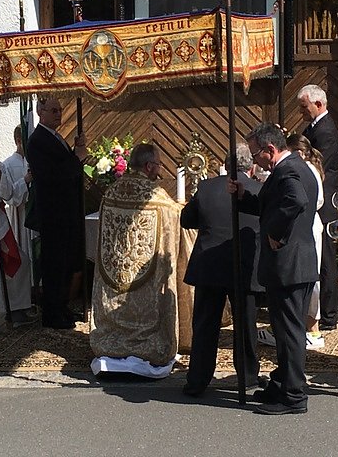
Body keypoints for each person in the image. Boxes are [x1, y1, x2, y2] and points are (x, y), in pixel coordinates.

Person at [228, 123, 319, 415]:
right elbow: (273, 205)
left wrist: (276, 233)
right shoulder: (295, 166)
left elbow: (296, 200)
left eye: (256, 154)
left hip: (289, 263)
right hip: (297, 263)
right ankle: (283, 382)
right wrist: (244, 196)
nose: (254, 160)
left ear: (270, 150)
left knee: (290, 332)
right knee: (284, 329)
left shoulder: (289, 170)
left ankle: (293, 395)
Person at [90, 143, 183, 377]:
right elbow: (175, 217)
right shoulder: (156, 196)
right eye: (159, 165)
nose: (159, 170)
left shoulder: (111, 191)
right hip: (144, 273)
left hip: (115, 268)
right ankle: (146, 345)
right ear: (149, 166)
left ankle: (113, 340)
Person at [181, 144, 264, 396]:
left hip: (211, 264)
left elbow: (186, 219)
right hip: (244, 266)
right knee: (245, 325)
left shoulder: (206, 188)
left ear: (226, 165)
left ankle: (197, 379)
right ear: (251, 167)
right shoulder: (259, 190)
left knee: (206, 325)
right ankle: (248, 376)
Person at [26, 96, 87, 329]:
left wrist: (77, 152)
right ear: (40, 111)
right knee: (53, 265)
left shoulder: (55, 136)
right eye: (53, 110)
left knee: (65, 263)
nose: (58, 114)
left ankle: (61, 306)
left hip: (66, 212)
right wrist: (77, 159)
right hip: (53, 213)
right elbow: (50, 176)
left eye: (60, 110)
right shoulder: (37, 141)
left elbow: (65, 165)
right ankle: (51, 313)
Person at [298, 84, 338, 330]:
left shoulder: (325, 131)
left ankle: (329, 314)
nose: (302, 112)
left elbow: (318, 165)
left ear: (318, 104)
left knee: (326, 257)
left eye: (304, 107)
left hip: (324, 199)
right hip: (319, 197)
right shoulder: (314, 126)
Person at [0, 129, 35, 325]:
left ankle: (16, 308)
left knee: (19, 263)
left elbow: (7, 193)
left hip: (1, 222)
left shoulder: (0, 166)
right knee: (2, 268)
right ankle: (7, 310)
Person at [287, 133, 326, 350]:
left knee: (311, 276)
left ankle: (312, 326)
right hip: (308, 225)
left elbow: (316, 200)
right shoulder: (305, 169)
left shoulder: (308, 170)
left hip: (309, 225)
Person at [0, 125, 37, 320]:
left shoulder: (33, 160)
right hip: (20, 215)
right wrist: (25, 180)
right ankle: (22, 302)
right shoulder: (8, 164)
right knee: (22, 258)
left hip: (33, 216)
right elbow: (11, 197)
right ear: (18, 141)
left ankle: (33, 296)